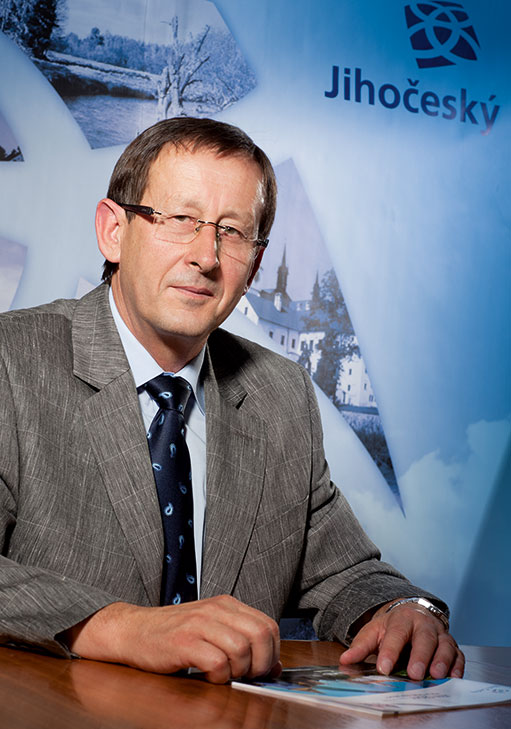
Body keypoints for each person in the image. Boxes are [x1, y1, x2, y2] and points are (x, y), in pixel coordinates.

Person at [0, 118, 464, 684]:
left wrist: (405, 610)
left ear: (255, 266)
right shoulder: (13, 361)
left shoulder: (281, 395)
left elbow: (346, 572)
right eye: (181, 219)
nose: (206, 255)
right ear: (113, 231)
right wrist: (125, 628)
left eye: (233, 232)